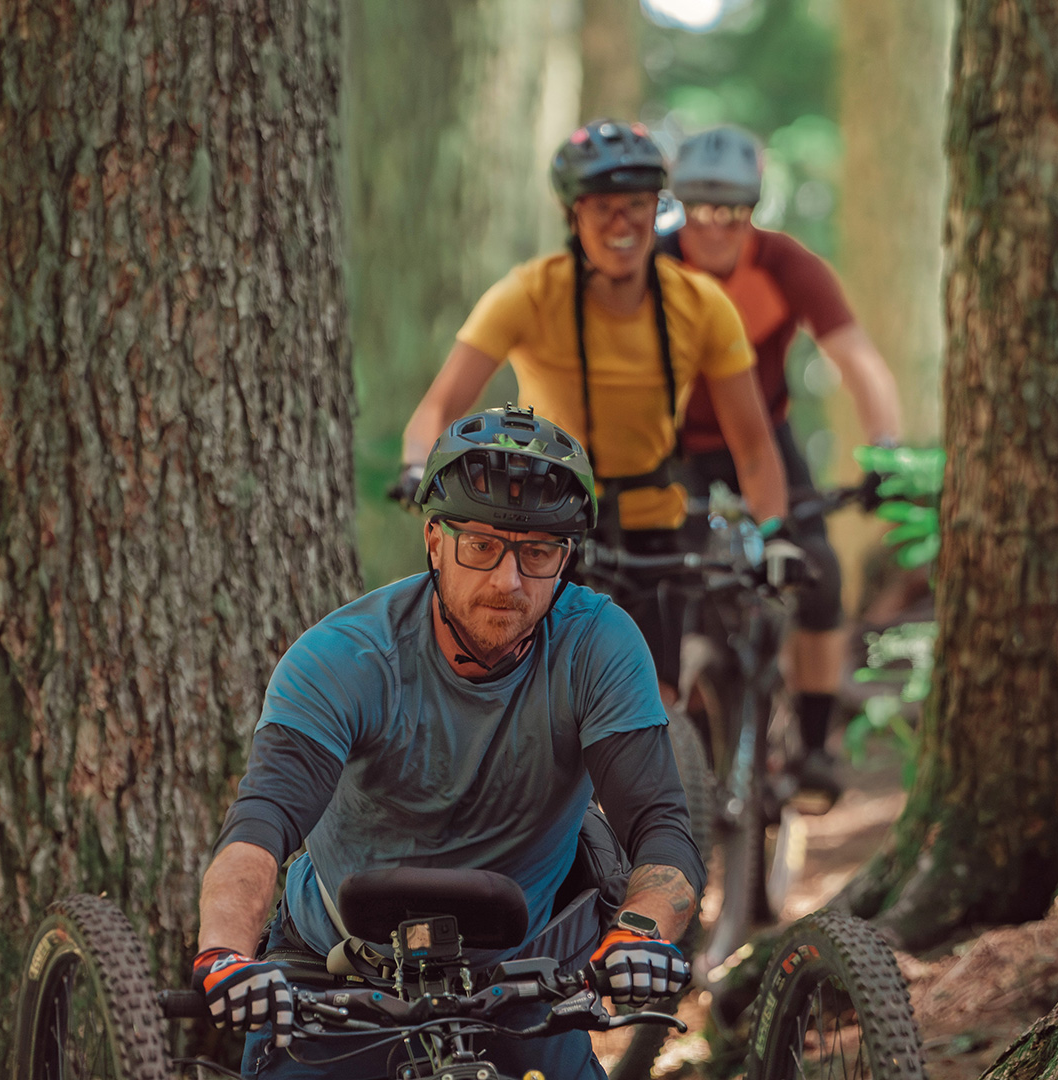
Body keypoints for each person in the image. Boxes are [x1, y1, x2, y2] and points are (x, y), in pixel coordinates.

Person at [195, 407, 705, 1080]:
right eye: (482, 545)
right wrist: (225, 953)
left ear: (567, 557)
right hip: (339, 981)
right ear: (435, 541)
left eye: (537, 552)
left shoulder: (598, 647)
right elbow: (261, 823)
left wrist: (636, 936)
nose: (508, 580)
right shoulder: (346, 656)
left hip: (523, 983)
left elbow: (660, 825)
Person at [397, 119, 792, 699]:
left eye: (636, 204)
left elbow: (754, 447)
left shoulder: (702, 304)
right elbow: (437, 409)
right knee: (516, 689)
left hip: (655, 527)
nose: (621, 222)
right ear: (573, 216)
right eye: (601, 205)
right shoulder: (529, 293)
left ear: (657, 209)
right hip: (543, 519)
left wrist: (775, 533)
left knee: (653, 700)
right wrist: (418, 470)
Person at [663, 125, 905, 805]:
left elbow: (856, 357)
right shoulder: (649, 268)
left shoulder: (785, 265)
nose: (715, 229)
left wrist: (884, 446)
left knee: (818, 570)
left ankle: (815, 747)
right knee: (663, 578)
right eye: (701, 211)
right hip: (672, 447)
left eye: (732, 213)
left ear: (753, 210)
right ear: (681, 204)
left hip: (763, 441)